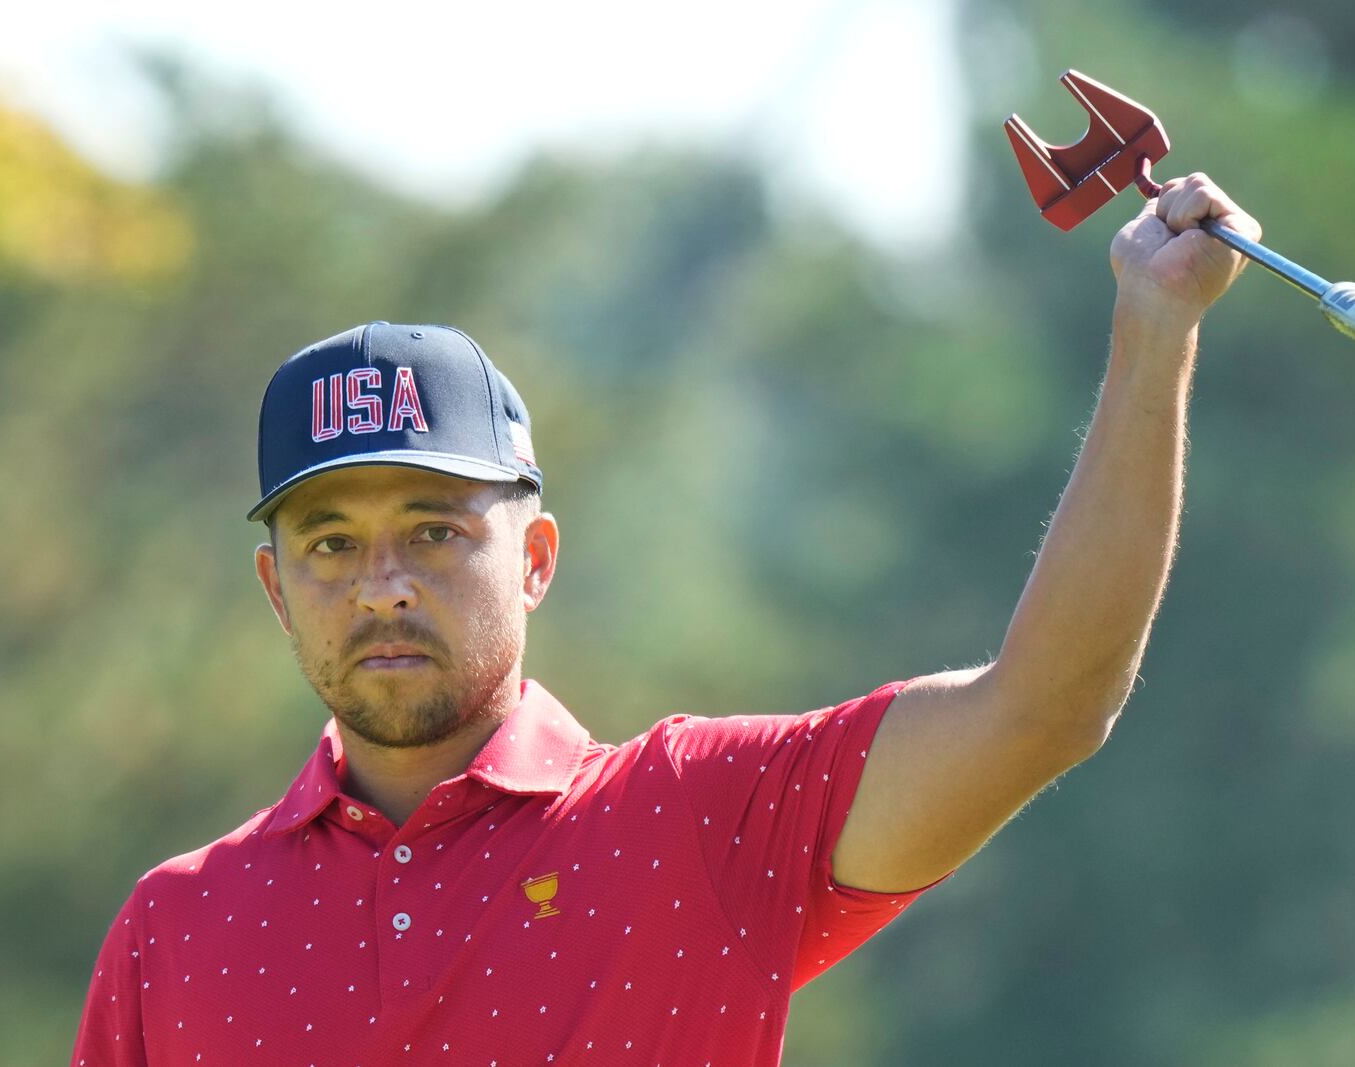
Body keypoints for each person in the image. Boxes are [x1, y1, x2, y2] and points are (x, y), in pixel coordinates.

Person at [71, 173, 1259, 1065]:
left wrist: (1153, 338)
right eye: (331, 542)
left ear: (533, 557)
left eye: (434, 529)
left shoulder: (699, 821)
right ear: (278, 590)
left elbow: (1040, 708)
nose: (382, 582)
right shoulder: (178, 925)